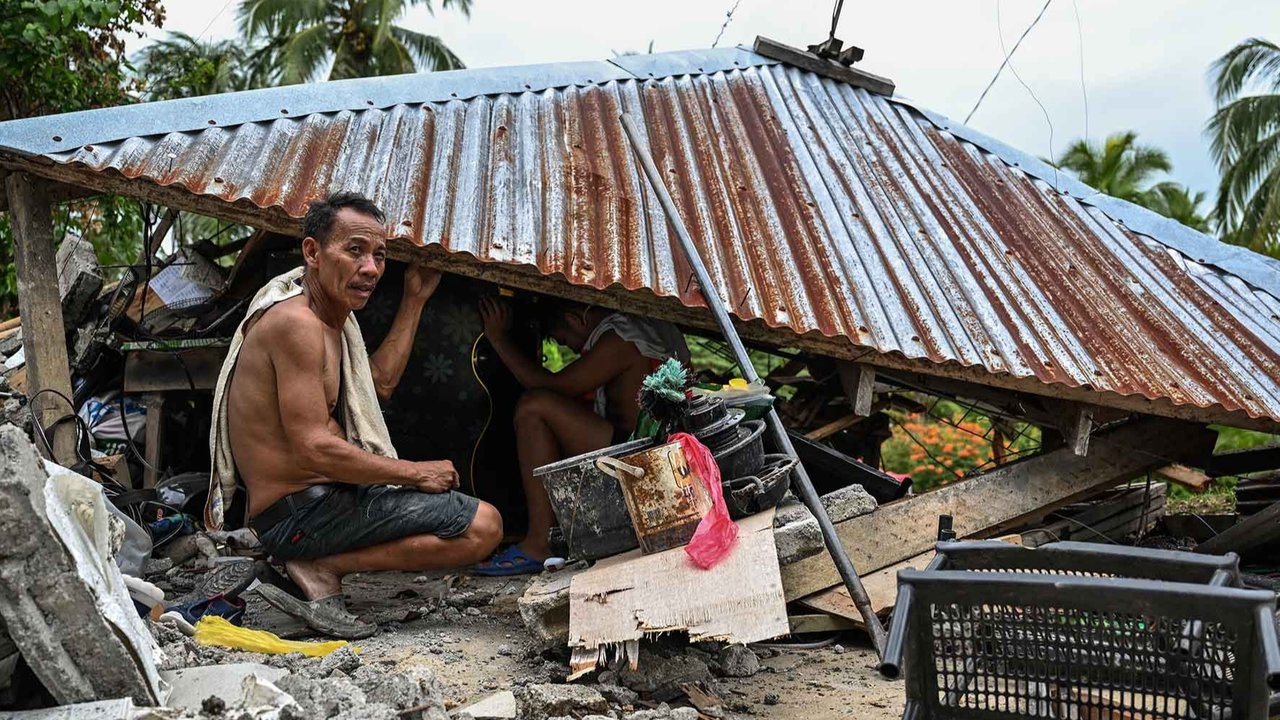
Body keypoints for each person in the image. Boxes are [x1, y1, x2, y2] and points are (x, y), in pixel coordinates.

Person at [217, 192, 502, 637]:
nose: (370, 268)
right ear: (312, 252)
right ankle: (318, 565)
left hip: (317, 505)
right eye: (355, 251)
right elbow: (313, 447)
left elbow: (378, 386)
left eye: (379, 256)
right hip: (298, 517)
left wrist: (414, 300)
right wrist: (414, 473)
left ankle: (315, 563)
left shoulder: (332, 321)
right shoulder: (297, 325)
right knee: (484, 526)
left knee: (478, 523)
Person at [473, 297, 690, 575]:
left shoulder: (620, 338)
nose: (574, 350)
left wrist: (498, 338)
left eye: (566, 341)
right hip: (650, 445)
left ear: (576, 320)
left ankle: (540, 543)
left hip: (637, 452)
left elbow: (550, 386)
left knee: (533, 406)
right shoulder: (651, 325)